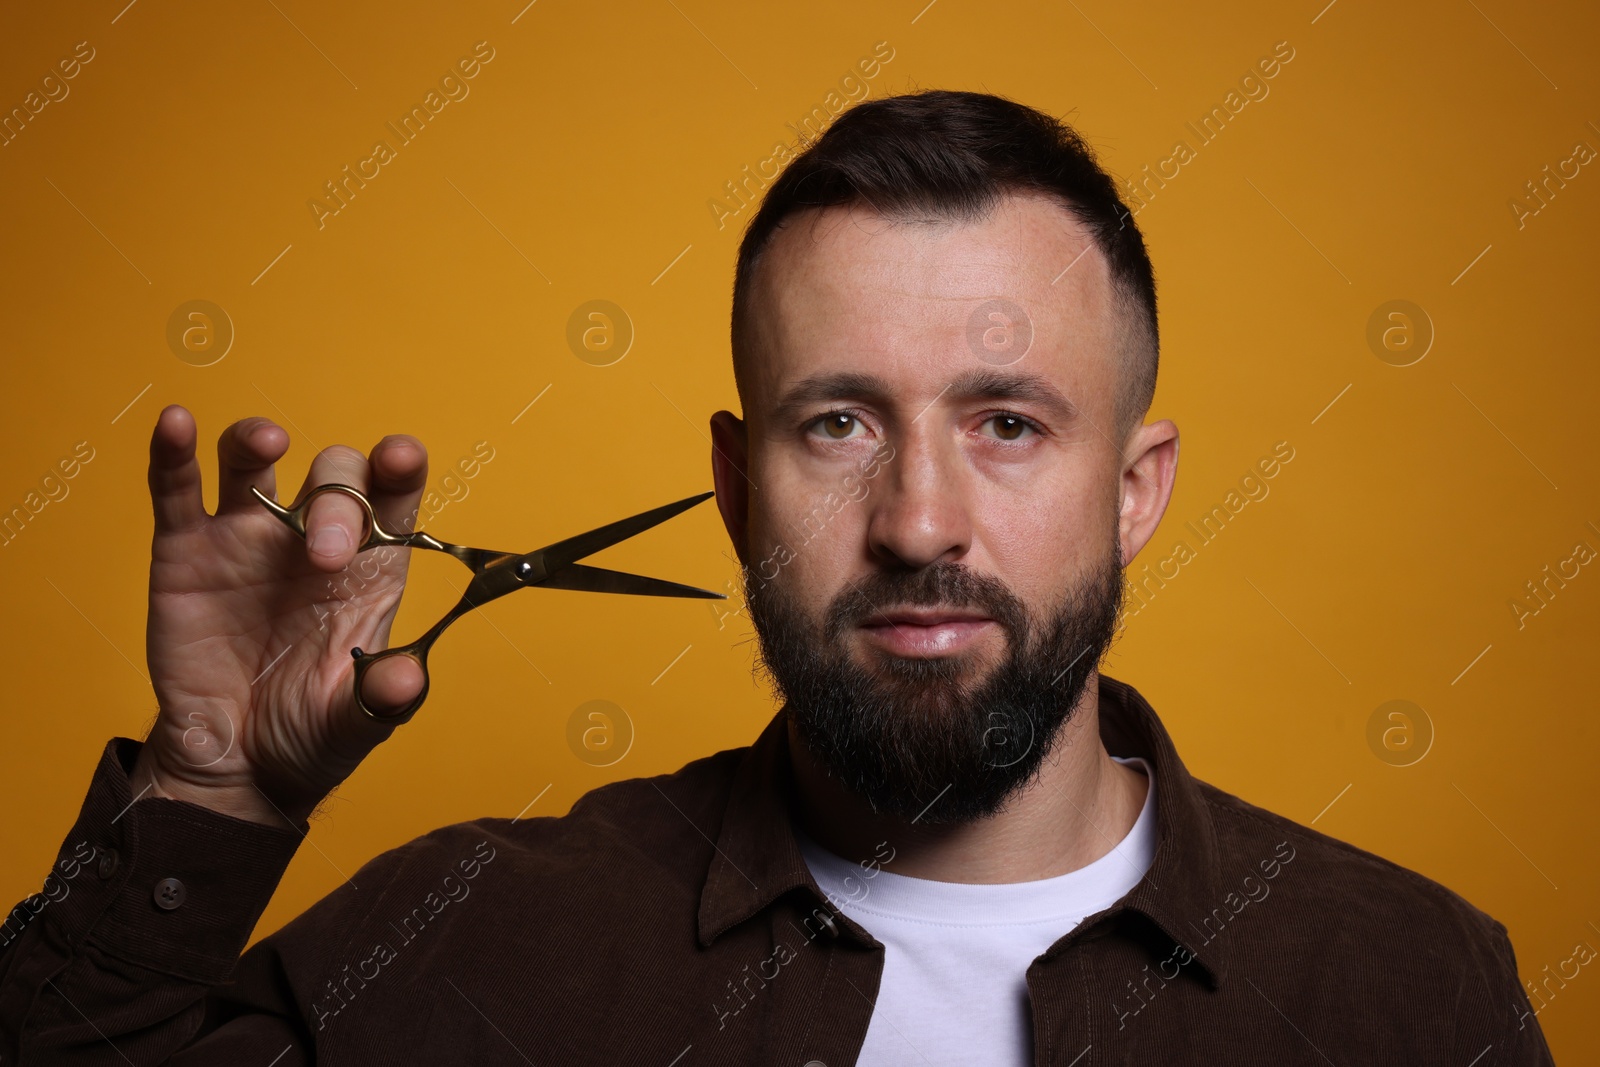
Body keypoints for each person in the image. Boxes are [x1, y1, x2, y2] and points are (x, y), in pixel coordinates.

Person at [0, 90, 1553, 1066]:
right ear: (742, 490)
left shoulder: (1406, 987)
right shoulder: (472, 943)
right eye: (840, 425)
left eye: (1007, 425)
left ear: (1133, 492)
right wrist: (210, 802)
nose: (918, 522)